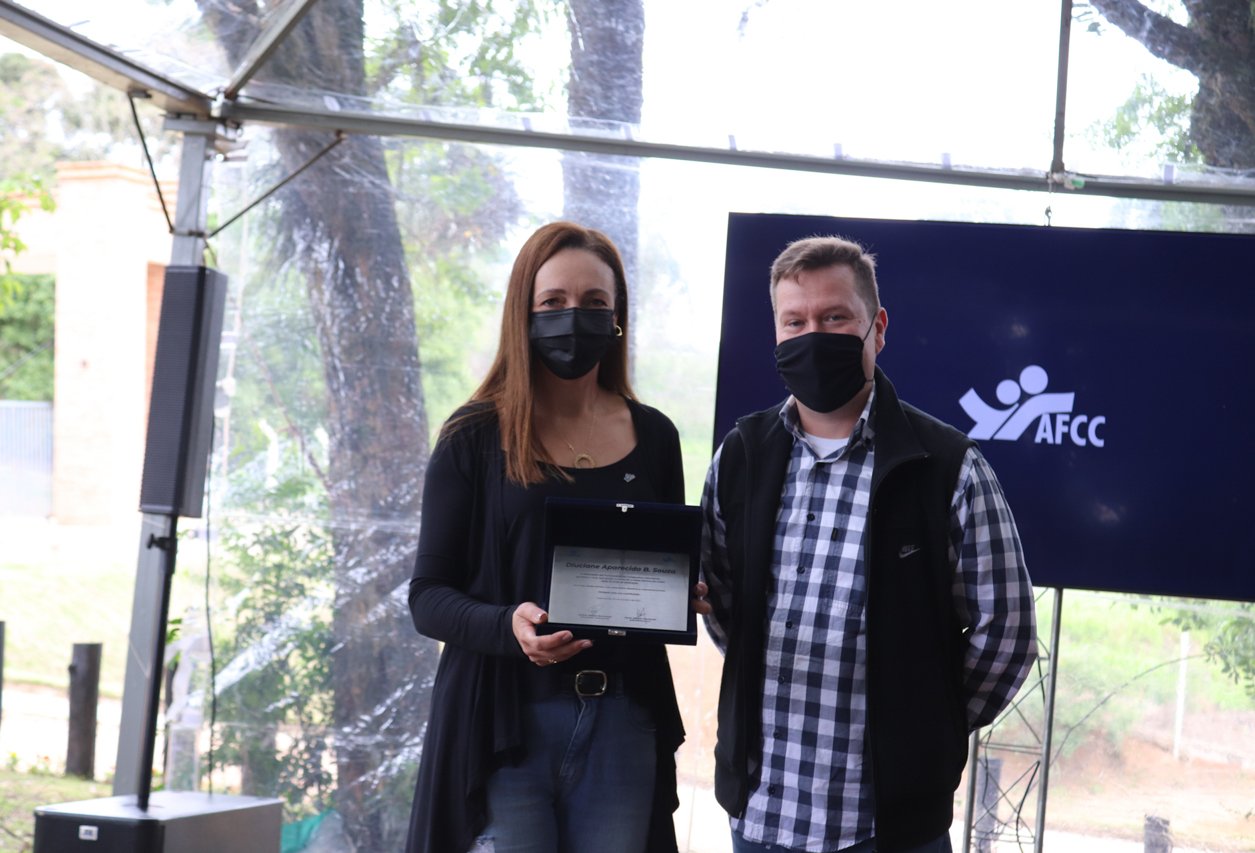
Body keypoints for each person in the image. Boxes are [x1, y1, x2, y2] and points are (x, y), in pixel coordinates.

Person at [701, 236, 1037, 853]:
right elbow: (724, 608)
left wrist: (924, 722)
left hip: (888, 826)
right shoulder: (741, 455)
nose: (813, 335)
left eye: (835, 318)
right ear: (776, 332)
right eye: (795, 321)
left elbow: (1007, 634)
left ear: (876, 328)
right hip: (761, 811)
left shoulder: (948, 467)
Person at [405, 222, 705, 853]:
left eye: (594, 303)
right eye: (554, 302)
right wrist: (506, 626)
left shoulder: (656, 436)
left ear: (617, 317)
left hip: (625, 723)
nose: (574, 317)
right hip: (503, 725)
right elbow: (427, 596)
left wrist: (681, 589)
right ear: (524, 312)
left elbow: (660, 563)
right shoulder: (472, 435)